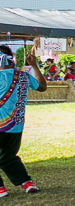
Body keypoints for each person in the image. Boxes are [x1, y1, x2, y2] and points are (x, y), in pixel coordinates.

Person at [0, 45, 47, 197]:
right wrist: (34, 65)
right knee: (8, 156)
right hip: (16, 125)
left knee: (6, 157)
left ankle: (1, 189)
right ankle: (27, 183)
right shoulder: (23, 76)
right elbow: (42, 87)